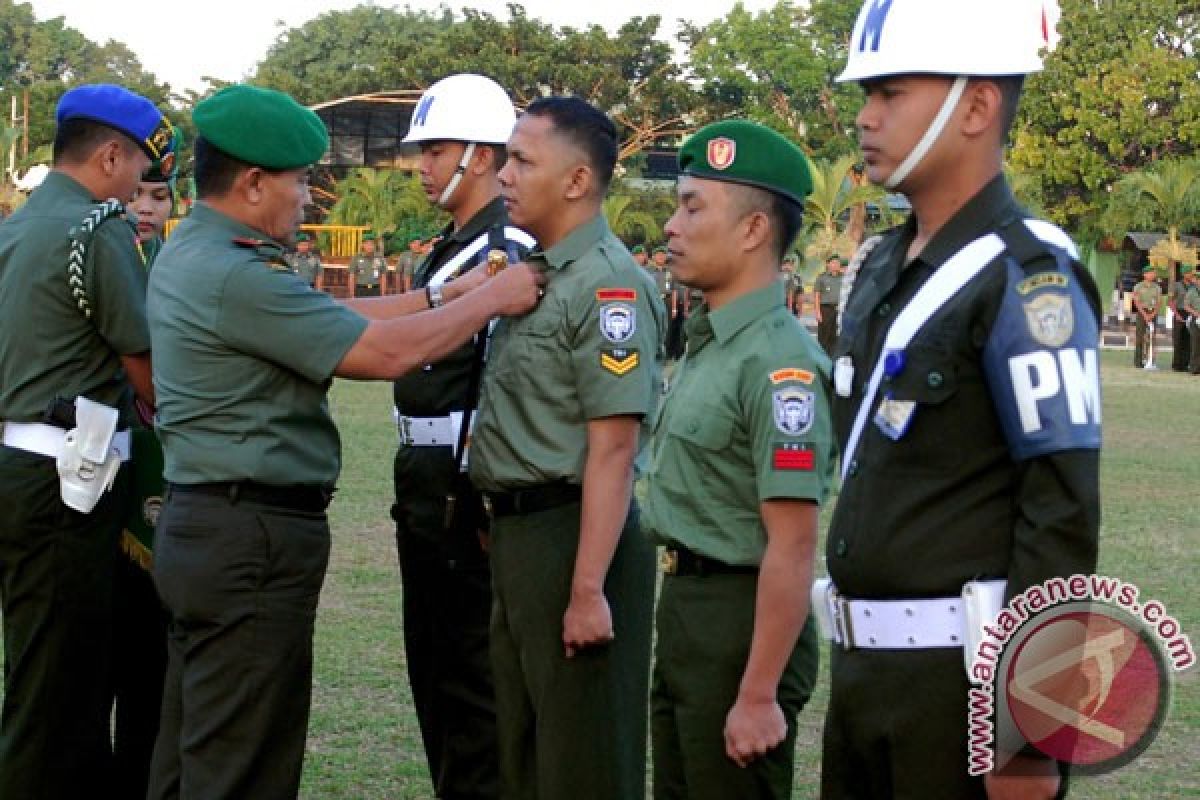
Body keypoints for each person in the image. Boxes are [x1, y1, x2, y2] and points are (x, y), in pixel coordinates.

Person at [145, 84, 542, 800]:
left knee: (194, 750)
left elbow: (328, 312)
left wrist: (441, 297)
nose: (306, 199)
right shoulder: (238, 272)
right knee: (242, 764)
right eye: (300, 182)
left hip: (207, 525)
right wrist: (491, 296)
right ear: (255, 181)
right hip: (249, 537)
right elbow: (383, 354)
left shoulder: (197, 251)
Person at [822, 2, 1102, 798]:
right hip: (862, 677)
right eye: (865, 95)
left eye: (890, 92)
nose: (866, 117)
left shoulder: (1028, 275)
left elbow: (1061, 514)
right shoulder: (881, 263)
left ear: (976, 105)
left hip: (965, 692)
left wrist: (1029, 728)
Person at [469, 96, 666, 799]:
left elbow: (613, 449)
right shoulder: (539, 275)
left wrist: (587, 588)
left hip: (578, 537)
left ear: (578, 181)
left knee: (585, 767)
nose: (504, 176)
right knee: (525, 758)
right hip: (526, 538)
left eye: (523, 160)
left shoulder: (608, 287)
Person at [642, 119, 832, 800]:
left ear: (754, 231)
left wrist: (757, 694)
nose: (672, 225)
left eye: (692, 207)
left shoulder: (778, 362)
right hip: (689, 609)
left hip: (740, 623)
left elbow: (793, 542)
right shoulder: (712, 341)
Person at [0, 83, 174, 800]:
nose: (141, 188)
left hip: (24, 465)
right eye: (139, 168)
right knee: (59, 700)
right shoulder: (94, 230)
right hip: (67, 481)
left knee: (47, 673)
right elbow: (149, 374)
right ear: (110, 155)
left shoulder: (17, 226)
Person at [391, 72, 536, 800]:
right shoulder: (456, 242)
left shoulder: (505, 243)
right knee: (437, 682)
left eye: (436, 149)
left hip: (460, 483)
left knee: (470, 695)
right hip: (423, 477)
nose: (422, 165)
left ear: (481, 155)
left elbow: (502, 377)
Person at [115, 125, 183, 800]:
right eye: (135, 192)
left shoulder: (176, 264)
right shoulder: (103, 254)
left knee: (153, 657)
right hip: (93, 464)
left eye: (157, 197)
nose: (144, 207)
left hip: (159, 464)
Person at [1131, 264, 1163, 367]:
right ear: (1145, 274)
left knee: (1152, 337)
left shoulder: (1157, 287)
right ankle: (1138, 361)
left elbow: (1159, 302)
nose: (1153, 275)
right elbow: (1136, 302)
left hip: (1153, 312)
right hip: (1142, 312)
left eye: (1153, 273)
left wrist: (1153, 314)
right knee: (1140, 337)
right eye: (1151, 273)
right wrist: (1145, 314)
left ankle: (1150, 361)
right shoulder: (1138, 286)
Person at [813, 255, 845, 353]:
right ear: (828, 264)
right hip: (826, 309)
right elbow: (817, 296)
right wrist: (818, 312)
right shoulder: (822, 277)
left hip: (839, 309)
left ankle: (833, 358)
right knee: (824, 336)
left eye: (838, 263)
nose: (836, 265)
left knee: (836, 335)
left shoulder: (844, 277)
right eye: (834, 262)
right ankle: (823, 357)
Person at [1168, 265, 1193, 371]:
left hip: (1190, 313)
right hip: (1179, 312)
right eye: (1189, 273)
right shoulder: (1176, 285)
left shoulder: (1194, 286)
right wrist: (1177, 314)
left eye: (1191, 273)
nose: (1191, 275)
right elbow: (1170, 301)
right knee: (1178, 340)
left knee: (1189, 340)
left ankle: (1185, 364)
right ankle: (1177, 365)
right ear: (1184, 274)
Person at [348, 231, 388, 296]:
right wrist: (351, 295)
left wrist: (383, 294)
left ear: (375, 245)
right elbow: (352, 276)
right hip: (361, 289)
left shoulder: (380, 258)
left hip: (375, 290)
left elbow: (383, 276)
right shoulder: (356, 258)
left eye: (372, 244)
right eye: (367, 244)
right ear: (363, 245)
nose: (369, 246)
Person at [1185, 268, 1200, 375]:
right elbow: (1186, 306)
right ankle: (1194, 368)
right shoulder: (1191, 292)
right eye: (1197, 279)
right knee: (1195, 345)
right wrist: (1195, 313)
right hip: (1196, 320)